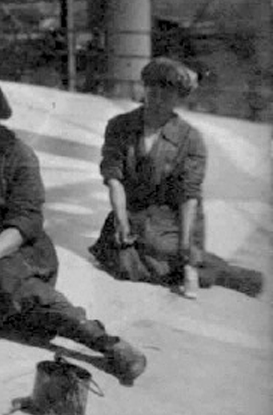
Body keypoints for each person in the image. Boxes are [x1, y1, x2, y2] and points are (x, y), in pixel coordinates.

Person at [0, 72, 147, 385]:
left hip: (13, 250)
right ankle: (10, 312)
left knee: (14, 288)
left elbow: (25, 222)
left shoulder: (20, 157)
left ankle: (106, 343)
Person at [89, 57, 263, 297]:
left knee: (167, 251)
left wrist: (186, 241)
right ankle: (184, 265)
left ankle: (231, 276)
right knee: (120, 257)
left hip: (174, 215)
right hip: (134, 211)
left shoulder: (191, 139)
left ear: (179, 99)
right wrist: (120, 219)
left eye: (167, 96)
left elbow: (188, 196)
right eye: (153, 92)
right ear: (145, 89)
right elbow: (113, 177)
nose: (158, 101)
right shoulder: (120, 126)